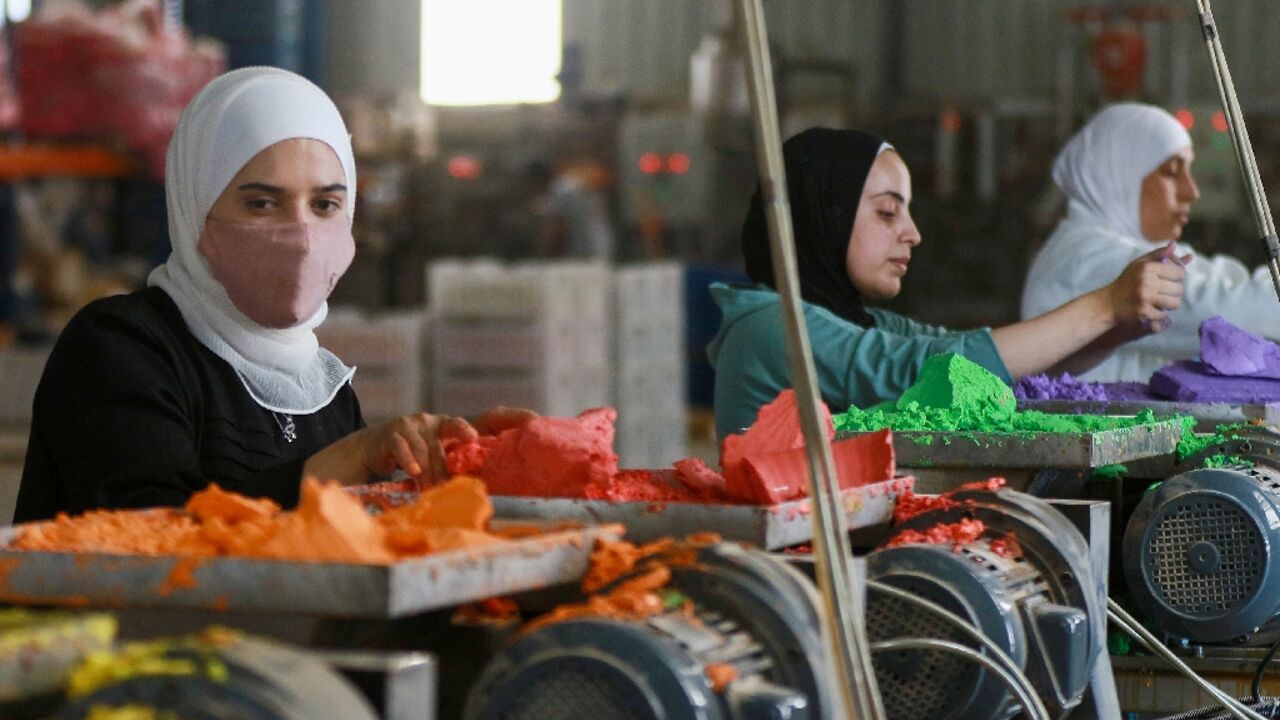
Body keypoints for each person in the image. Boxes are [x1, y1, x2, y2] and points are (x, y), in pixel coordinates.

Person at [14, 68, 532, 522]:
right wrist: (343, 464)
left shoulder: (322, 390)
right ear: (196, 208)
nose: (302, 235)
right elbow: (152, 537)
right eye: (262, 203)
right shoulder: (120, 348)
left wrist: (452, 460)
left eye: (325, 204)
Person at [708, 127, 1186, 439]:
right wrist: (1103, 306)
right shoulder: (769, 328)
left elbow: (980, 364)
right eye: (887, 212)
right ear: (823, 216)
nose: (912, 233)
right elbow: (928, 369)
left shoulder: (857, 321)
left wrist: (1114, 330)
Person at [1023, 102, 1280, 382]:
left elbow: (1228, 283)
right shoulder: (1084, 261)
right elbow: (1233, 314)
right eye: (1171, 172)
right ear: (1120, 175)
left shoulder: (1121, 249)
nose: (1192, 191)